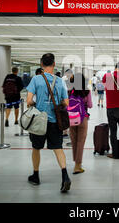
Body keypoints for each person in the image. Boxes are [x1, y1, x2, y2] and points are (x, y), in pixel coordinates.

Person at [26, 53, 71, 192]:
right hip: (54, 121)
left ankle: (36, 175)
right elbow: (66, 103)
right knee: (58, 148)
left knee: (36, 148)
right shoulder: (60, 81)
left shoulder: (36, 79)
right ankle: (65, 176)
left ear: (41, 64)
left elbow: (28, 101)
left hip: (39, 120)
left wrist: (37, 102)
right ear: (54, 64)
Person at [68, 73, 92, 175]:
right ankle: (78, 165)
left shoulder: (70, 91)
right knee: (80, 142)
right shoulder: (86, 91)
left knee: (74, 141)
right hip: (82, 118)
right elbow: (90, 105)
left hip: (71, 118)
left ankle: (76, 162)